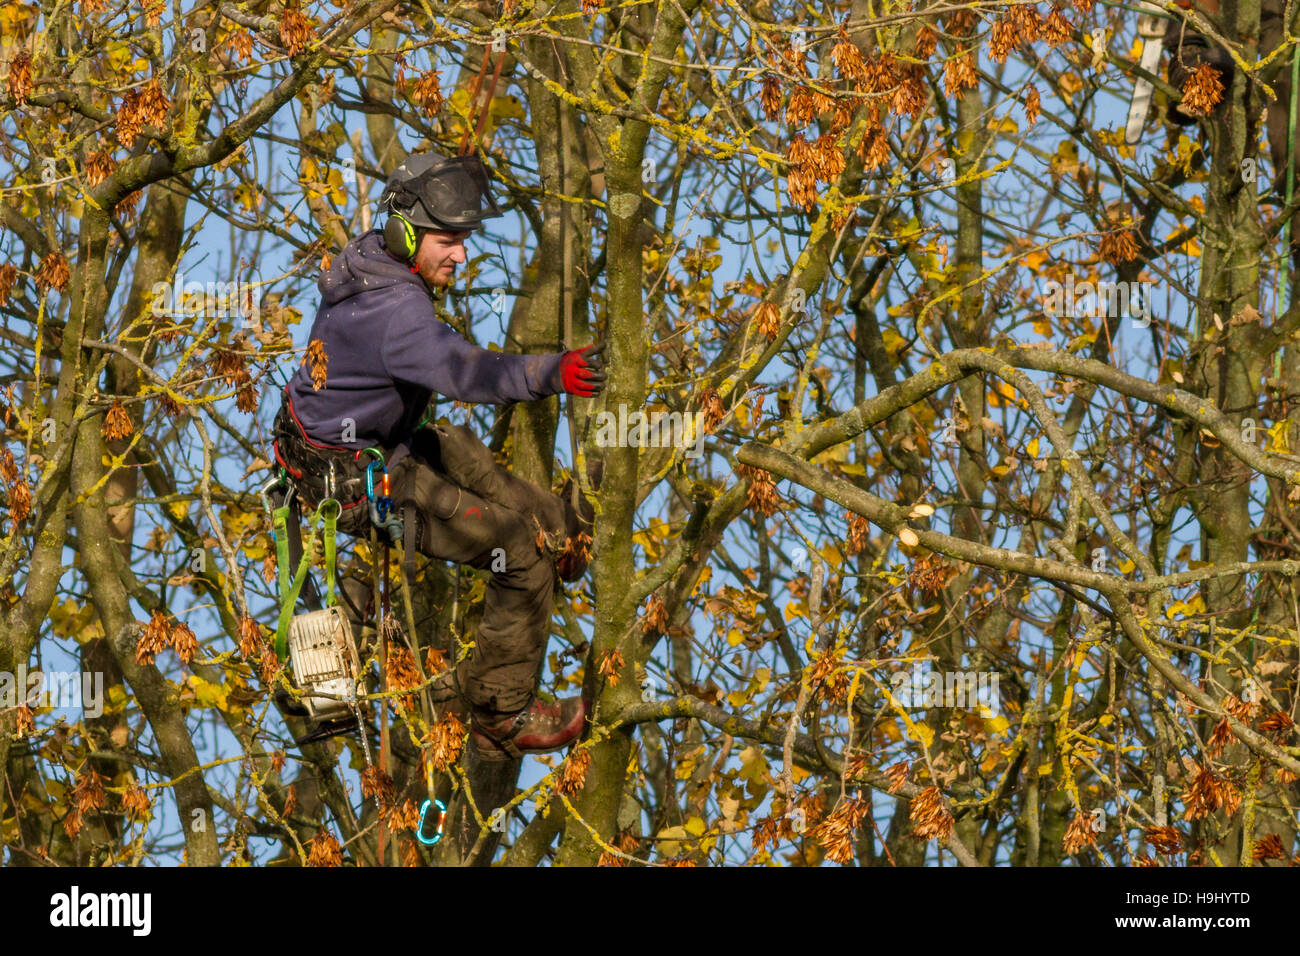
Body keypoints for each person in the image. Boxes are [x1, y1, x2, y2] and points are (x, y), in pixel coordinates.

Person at [270, 150, 607, 760]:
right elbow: (465, 371)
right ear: (406, 234)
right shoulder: (396, 311)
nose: (461, 256)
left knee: (468, 454)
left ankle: (567, 537)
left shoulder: (369, 260)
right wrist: (554, 371)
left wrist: (456, 173)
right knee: (519, 553)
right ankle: (500, 711)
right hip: (358, 480)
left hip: (373, 444)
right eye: (449, 241)